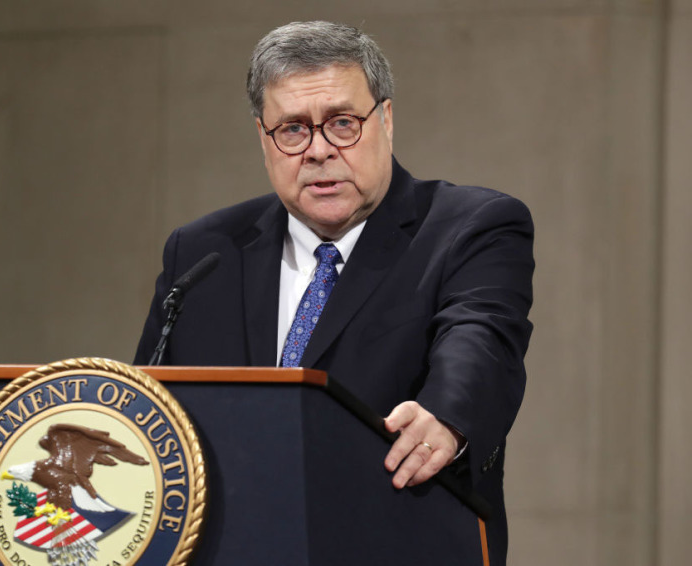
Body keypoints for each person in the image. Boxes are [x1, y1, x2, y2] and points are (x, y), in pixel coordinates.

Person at [135, 21, 533, 564]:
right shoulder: (204, 253)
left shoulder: (470, 226)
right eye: (293, 129)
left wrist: (446, 412)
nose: (319, 150)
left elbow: (482, 334)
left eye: (343, 123)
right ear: (263, 137)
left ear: (386, 120)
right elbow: (146, 413)